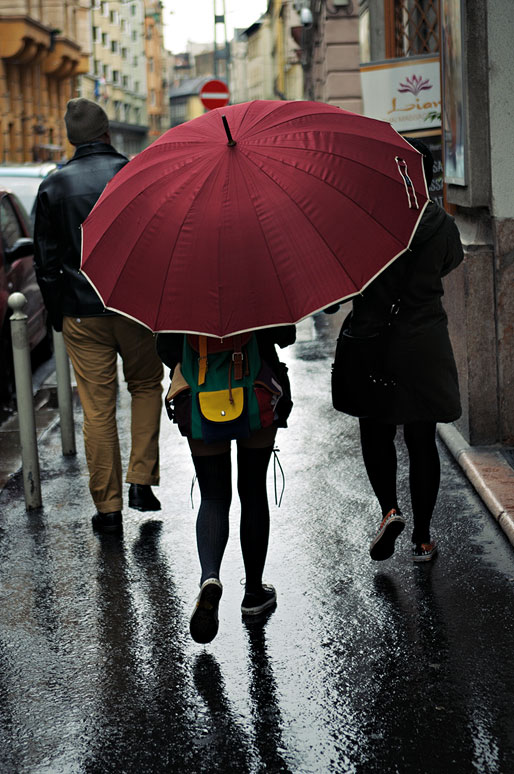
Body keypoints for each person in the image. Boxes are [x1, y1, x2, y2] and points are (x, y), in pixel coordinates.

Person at [34, 98, 163, 534]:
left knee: (97, 408)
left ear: (72, 139)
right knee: (145, 385)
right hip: (133, 304)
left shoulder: (53, 186)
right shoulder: (133, 173)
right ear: (107, 132)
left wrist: (58, 311)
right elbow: (157, 238)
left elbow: (46, 262)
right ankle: (141, 480)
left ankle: (107, 507)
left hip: (80, 311)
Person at [334, 139, 464, 563]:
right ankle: (423, 538)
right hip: (423, 342)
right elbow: (451, 262)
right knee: (422, 437)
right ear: (428, 177)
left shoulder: (366, 221)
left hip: (373, 341)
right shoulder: (442, 224)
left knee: (376, 430)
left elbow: (347, 279)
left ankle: (389, 510)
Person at [156, 327, 295, 644]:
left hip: (199, 397)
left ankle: (210, 577)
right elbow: (285, 333)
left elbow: (165, 349)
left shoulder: (178, 286)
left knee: (214, 497)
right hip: (256, 392)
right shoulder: (256, 278)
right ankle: (254, 593)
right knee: (253, 492)